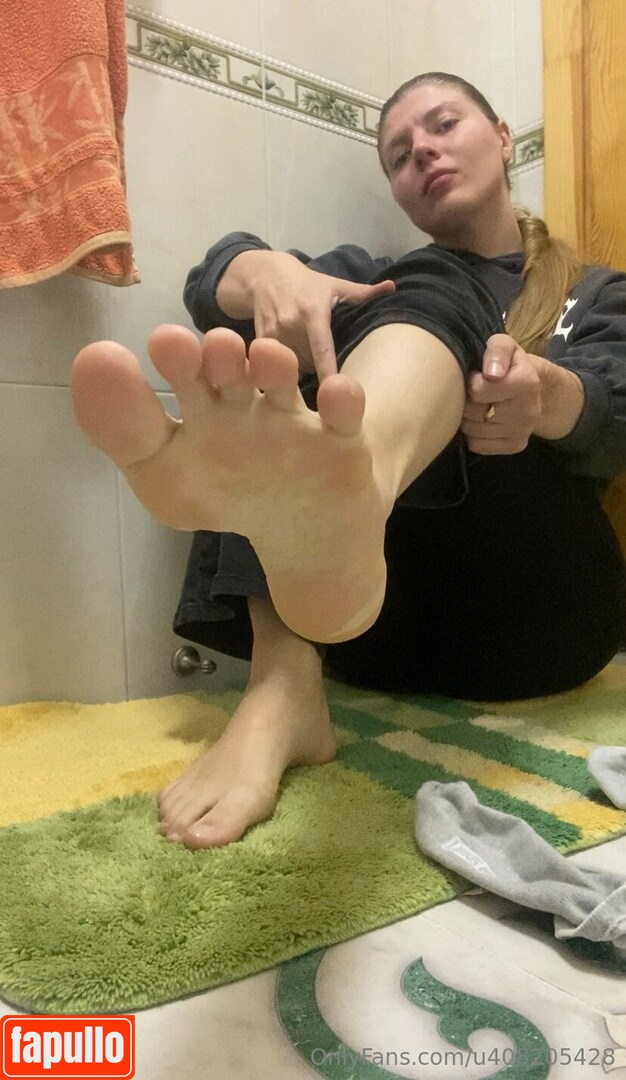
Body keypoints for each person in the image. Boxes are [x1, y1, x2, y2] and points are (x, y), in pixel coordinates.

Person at [71, 72, 626, 851]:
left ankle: (352, 482)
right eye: (399, 153)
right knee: (294, 353)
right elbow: (211, 284)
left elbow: (618, 415)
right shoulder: (371, 272)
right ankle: (284, 684)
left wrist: (549, 397)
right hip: (371, 629)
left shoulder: (595, 292)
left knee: (398, 301)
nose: (421, 151)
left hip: (541, 620)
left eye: (443, 125)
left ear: (504, 139)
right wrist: (267, 271)